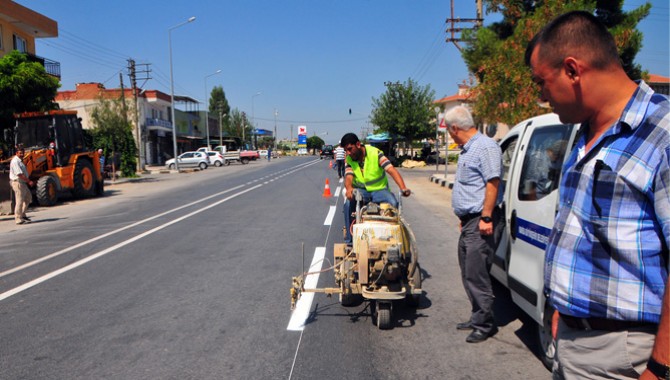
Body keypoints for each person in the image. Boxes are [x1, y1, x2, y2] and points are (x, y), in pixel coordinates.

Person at [526, 10, 669, 379]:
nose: (541, 96)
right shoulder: (584, 131)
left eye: (541, 82)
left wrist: (662, 366)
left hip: (626, 353)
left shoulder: (662, 134)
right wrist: (561, 311)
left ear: (573, 70)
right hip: (574, 341)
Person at [444, 105, 503, 344]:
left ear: (455, 128)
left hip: (481, 221)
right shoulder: (468, 150)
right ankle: (477, 315)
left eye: (448, 131)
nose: (449, 135)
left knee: (477, 275)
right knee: (468, 272)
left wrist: (486, 217)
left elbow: (493, 182)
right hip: (469, 222)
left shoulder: (485, 147)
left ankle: (484, 324)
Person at [340, 133, 411, 244]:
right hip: (362, 192)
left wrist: (403, 188)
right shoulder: (349, 159)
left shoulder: (375, 153)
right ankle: (350, 241)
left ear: (358, 144)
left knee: (393, 202)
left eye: (350, 149)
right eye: (346, 151)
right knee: (348, 204)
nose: (348, 153)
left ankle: (395, 239)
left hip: (379, 190)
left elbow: (391, 170)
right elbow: (348, 176)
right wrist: (349, 188)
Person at [9, 147, 34, 225]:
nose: (22, 154)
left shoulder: (20, 161)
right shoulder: (15, 161)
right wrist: (29, 181)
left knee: (28, 197)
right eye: (20, 153)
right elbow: (19, 174)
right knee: (19, 201)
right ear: (16, 153)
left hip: (23, 183)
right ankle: (18, 218)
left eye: (23, 153)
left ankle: (23, 214)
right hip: (18, 183)